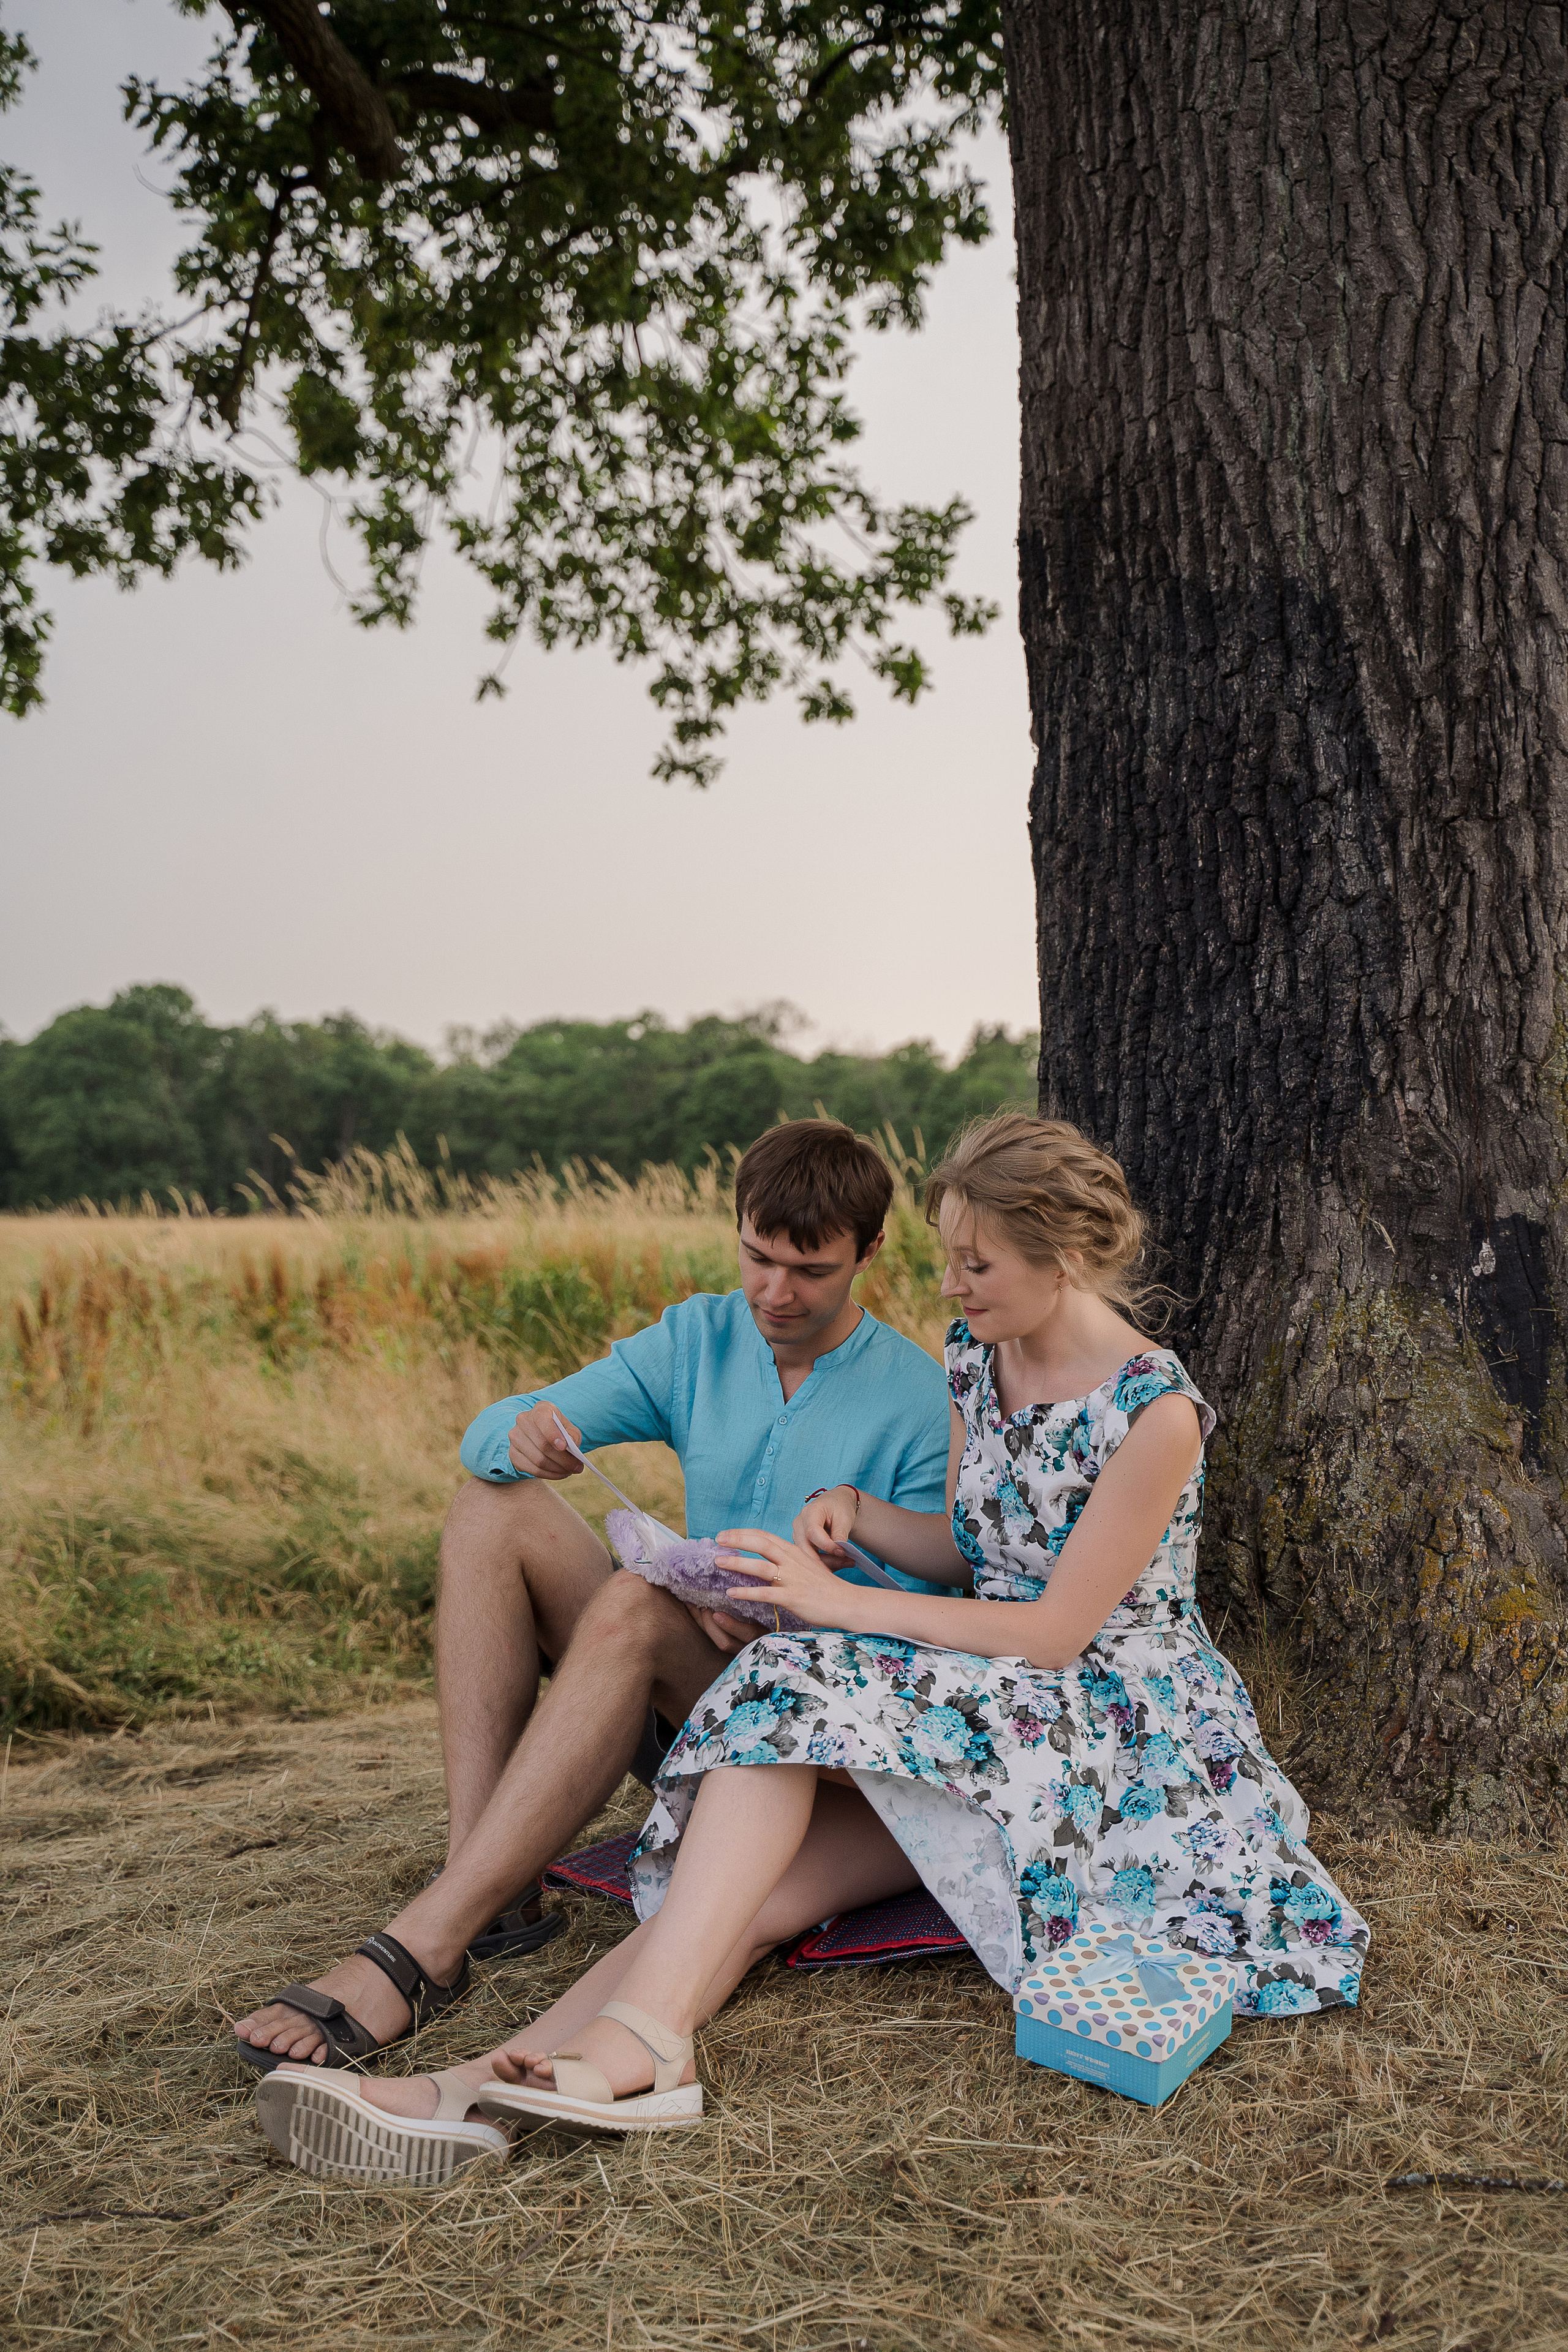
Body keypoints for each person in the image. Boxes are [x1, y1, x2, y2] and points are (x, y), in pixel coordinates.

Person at [255, 1112, 1370, 2180]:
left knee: (789, 1705)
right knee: (744, 1894)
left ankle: (568, 2060)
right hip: (986, 1698)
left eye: (974, 1264)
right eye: (951, 1258)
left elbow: (1053, 1628)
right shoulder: (982, 1360)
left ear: (1065, 1255)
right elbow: (970, 1551)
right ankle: (501, 2083)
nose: (952, 1284)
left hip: (1108, 1720)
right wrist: (861, 1515)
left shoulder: (1153, 1411)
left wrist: (830, 1599)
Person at [233, 1118, 955, 2074]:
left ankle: (423, 1947)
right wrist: (526, 1437)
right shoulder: (697, 1337)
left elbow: (941, 1619)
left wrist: (795, 1614)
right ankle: (495, 1890)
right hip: (677, 1687)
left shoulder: (917, 1396)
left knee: (631, 1604)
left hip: (796, 1734)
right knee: (495, 1508)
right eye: (757, 1257)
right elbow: (498, 1427)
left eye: (809, 1270)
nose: (775, 1293)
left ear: (867, 1253)